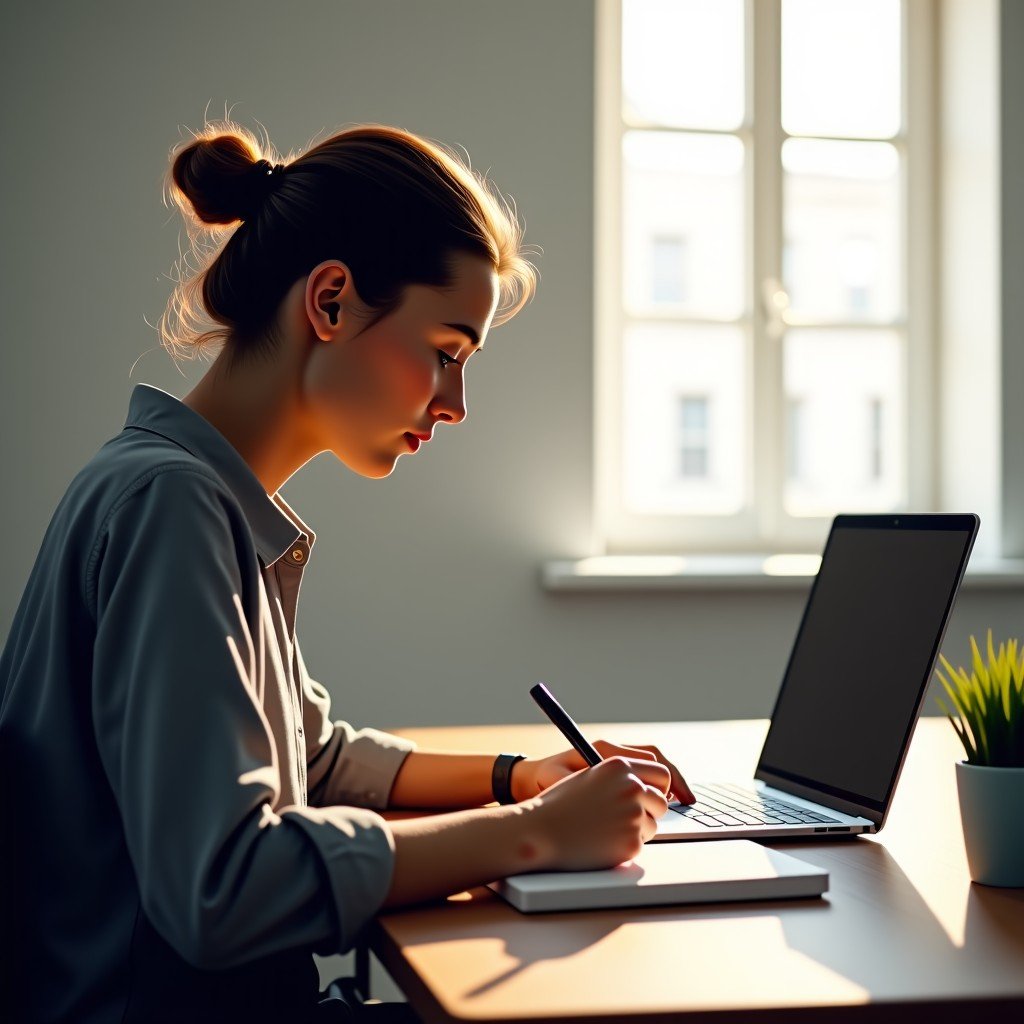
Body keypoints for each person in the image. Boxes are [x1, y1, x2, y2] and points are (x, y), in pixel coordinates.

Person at [0, 120, 694, 1024]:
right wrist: (532, 837)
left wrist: (518, 779)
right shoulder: (171, 508)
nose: (456, 405)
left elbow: (315, 760)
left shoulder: (195, 495)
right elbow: (223, 888)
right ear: (330, 302)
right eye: (446, 352)